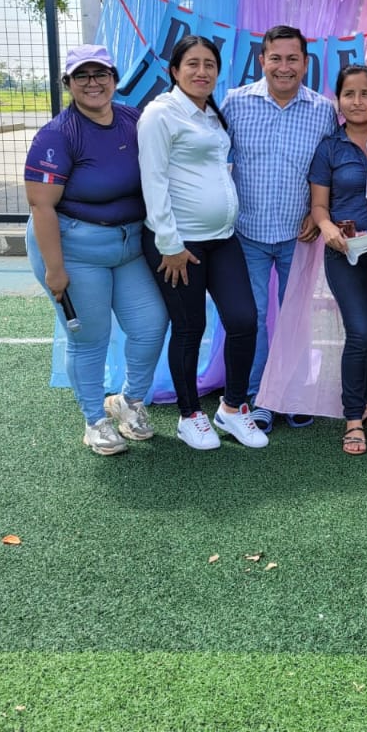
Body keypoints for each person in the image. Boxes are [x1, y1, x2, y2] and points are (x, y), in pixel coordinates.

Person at [24, 45, 167, 455]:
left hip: (128, 247)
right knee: (90, 337)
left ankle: (129, 402)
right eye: (82, 76)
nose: (93, 83)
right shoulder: (57, 135)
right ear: (68, 83)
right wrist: (55, 270)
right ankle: (94, 420)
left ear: (114, 79)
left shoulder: (133, 119)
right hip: (74, 249)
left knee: (151, 324)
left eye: (100, 73)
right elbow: (41, 206)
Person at [137, 35, 267, 450]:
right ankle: (190, 415)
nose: (202, 71)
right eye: (192, 64)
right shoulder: (160, 114)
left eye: (209, 64)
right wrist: (169, 244)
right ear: (174, 70)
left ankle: (232, 408)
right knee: (190, 327)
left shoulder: (211, 113)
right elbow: (153, 181)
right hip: (179, 244)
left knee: (244, 320)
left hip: (222, 238)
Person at [224, 25, 337, 431]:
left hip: (300, 233)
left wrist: (318, 211)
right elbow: (216, 162)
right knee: (251, 317)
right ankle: (259, 395)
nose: (284, 67)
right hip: (246, 231)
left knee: (297, 316)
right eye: (276, 58)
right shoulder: (235, 103)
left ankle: (295, 392)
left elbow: (328, 170)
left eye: (292, 59)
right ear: (262, 61)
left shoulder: (323, 110)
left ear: (306, 63)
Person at [308, 64, 367, 455]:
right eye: (349, 94)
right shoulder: (329, 147)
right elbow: (319, 205)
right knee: (360, 330)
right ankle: (352, 419)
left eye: (365, 93)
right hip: (343, 253)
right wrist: (326, 227)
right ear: (339, 99)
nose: (357, 101)